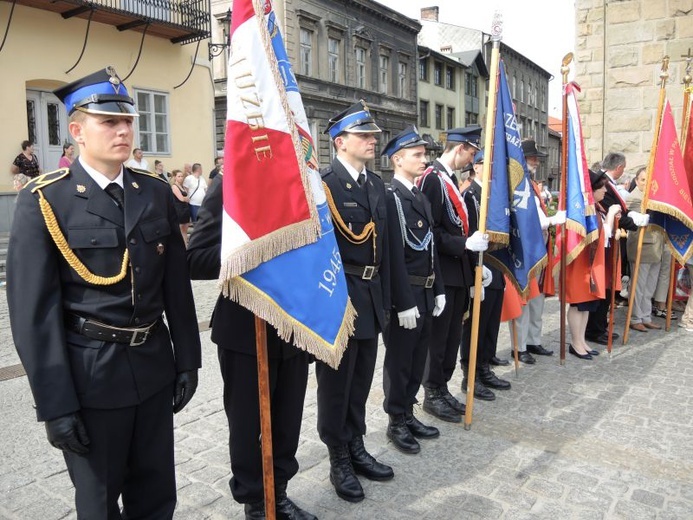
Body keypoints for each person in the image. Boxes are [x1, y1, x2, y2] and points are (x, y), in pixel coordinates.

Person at [6, 66, 201, 518]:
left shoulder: (153, 192)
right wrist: (56, 405)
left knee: (156, 495)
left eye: (128, 121)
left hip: (152, 365)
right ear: (76, 131)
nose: (123, 130)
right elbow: (33, 315)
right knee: (98, 502)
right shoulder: (44, 200)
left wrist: (187, 359)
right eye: (108, 122)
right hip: (90, 376)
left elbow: (176, 287)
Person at [187, 174, 317, 520]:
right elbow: (194, 259)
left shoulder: (300, 186)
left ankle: (280, 492)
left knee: (287, 421)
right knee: (248, 425)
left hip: (292, 324)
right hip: (245, 328)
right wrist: (249, 250)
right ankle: (256, 502)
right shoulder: (230, 185)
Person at [318, 100, 395, 503]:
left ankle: (356, 444)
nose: (371, 141)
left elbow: (387, 248)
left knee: (361, 380)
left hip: (371, 296)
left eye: (373, 135)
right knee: (336, 385)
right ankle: (337, 457)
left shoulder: (375, 184)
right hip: (339, 297)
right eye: (363, 135)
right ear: (339, 141)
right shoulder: (323, 183)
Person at [380, 126, 445, 455]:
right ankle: (395, 420)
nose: (424, 159)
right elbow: (392, 257)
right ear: (397, 159)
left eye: (425, 154)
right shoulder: (390, 197)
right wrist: (401, 301)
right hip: (405, 298)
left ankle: (408, 411)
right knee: (399, 360)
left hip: (426, 292)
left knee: (418, 358)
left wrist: (440, 289)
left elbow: (429, 248)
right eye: (417, 155)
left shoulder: (418, 195)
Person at [418, 125, 489, 416]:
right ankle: (432, 392)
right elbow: (429, 232)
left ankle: (443, 387)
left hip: (458, 271)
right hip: (442, 273)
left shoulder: (448, 178)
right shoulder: (433, 180)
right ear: (459, 148)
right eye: (471, 153)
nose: (471, 160)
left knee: (451, 337)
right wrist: (464, 244)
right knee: (438, 339)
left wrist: (473, 263)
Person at [506, 139, 563, 364]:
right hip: (524, 249)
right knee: (524, 299)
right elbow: (526, 219)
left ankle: (533, 340)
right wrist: (551, 220)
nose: (536, 162)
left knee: (536, 299)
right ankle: (519, 346)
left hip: (538, 248)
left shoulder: (532, 183)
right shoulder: (516, 182)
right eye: (532, 158)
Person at [461, 149, 511, 401]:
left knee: (490, 324)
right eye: (486, 164)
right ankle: (471, 375)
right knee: (475, 328)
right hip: (481, 268)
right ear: (476, 167)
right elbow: (469, 235)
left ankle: (484, 367)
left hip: (496, 267)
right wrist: (473, 274)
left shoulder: (493, 196)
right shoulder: (470, 195)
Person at [585, 152, 649, 345]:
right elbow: (609, 210)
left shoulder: (609, 183)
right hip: (604, 241)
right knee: (603, 286)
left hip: (612, 241)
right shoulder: (601, 181)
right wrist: (633, 222)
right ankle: (595, 330)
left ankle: (600, 327)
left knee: (609, 287)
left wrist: (632, 218)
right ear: (619, 167)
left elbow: (620, 209)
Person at [566, 170, 621, 359]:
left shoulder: (597, 207)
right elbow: (599, 236)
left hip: (592, 263)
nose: (605, 191)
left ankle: (581, 340)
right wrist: (612, 216)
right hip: (582, 264)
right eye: (602, 187)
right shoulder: (585, 208)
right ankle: (575, 342)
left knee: (588, 303)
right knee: (578, 303)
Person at [626, 167, 663, 332]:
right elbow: (633, 221)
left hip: (656, 247)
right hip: (641, 246)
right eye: (642, 179)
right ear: (636, 181)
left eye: (648, 179)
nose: (646, 183)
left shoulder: (657, 197)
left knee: (649, 287)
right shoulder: (633, 198)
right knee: (638, 287)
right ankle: (635, 318)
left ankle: (646, 316)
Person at [171, 169, 191, 245]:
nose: (181, 178)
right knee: (181, 229)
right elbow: (182, 199)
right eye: (179, 176)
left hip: (185, 209)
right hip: (179, 209)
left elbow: (187, 198)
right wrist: (186, 199)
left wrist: (186, 199)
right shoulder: (174, 186)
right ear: (175, 177)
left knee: (185, 230)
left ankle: (185, 245)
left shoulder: (182, 186)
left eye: (182, 176)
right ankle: (181, 246)